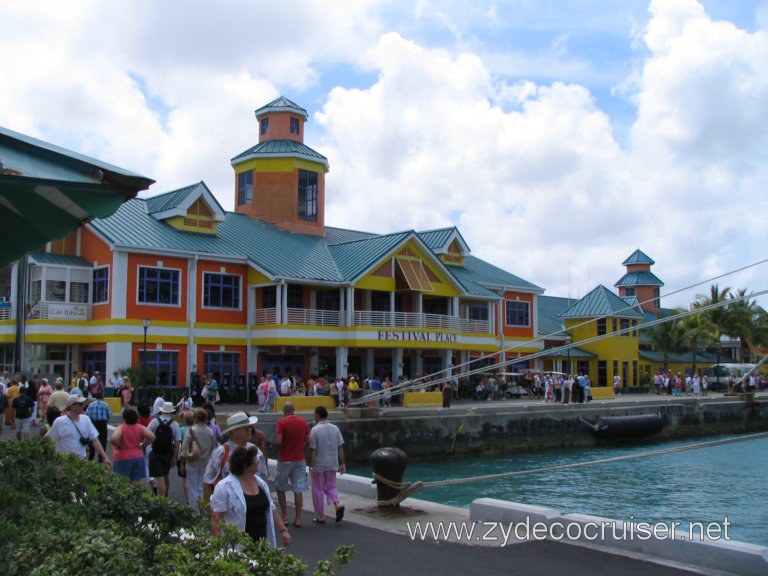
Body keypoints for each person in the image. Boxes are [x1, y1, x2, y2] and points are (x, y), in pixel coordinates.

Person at [210, 445, 291, 548]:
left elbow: (271, 507)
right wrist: (217, 547)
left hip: (262, 545)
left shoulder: (261, 483)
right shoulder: (224, 487)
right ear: (245, 465)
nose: (257, 461)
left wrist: (283, 530)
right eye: (255, 459)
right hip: (238, 547)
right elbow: (216, 517)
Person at [203, 411, 266, 502]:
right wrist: (208, 510)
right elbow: (207, 482)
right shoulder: (221, 452)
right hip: (229, 505)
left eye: (250, 427)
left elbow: (263, 481)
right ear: (234, 431)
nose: (249, 430)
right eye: (245, 428)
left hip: (254, 504)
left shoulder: (256, 451)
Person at [46, 396, 111, 468]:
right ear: (72, 406)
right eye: (80, 404)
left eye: (84, 404)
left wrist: (104, 457)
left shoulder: (86, 419)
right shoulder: (60, 422)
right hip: (64, 463)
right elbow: (48, 440)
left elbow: (95, 439)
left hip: (81, 462)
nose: (84, 406)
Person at [308, 406, 346, 524]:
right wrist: (342, 463)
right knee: (331, 486)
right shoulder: (335, 428)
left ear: (318, 415)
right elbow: (340, 447)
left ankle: (321, 515)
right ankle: (337, 505)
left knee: (318, 489)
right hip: (333, 462)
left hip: (320, 464)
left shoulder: (315, 430)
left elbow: (313, 450)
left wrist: (312, 466)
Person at [275, 402, 310, 528]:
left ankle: (284, 515)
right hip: (300, 460)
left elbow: (278, 441)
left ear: (284, 411)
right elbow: (308, 440)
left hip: (285, 460)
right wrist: (302, 450)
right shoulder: (303, 422)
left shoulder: (281, 423)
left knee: (280, 488)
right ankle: (298, 518)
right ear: (294, 410)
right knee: (298, 489)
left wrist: (280, 447)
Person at [179, 408, 215, 512]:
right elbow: (213, 448)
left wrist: (182, 463)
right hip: (205, 462)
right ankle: (202, 507)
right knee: (201, 487)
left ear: (195, 418)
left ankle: (194, 510)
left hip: (192, 461)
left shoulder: (191, 430)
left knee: (192, 487)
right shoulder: (210, 431)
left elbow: (184, 448)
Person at [111, 406, 155, 483]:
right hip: (138, 456)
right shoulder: (140, 428)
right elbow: (152, 437)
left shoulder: (121, 428)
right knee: (135, 483)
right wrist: (143, 445)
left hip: (123, 457)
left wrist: (119, 446)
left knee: (122, 482)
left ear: (124, 418)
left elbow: (114, 439)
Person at [146, 402, 180, 497]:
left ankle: (161, 499)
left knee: (160, 478)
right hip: (168, 453)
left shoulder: (155, 422)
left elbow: (147, 434)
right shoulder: (175, 424)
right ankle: (166, 495)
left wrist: (144, 446)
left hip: (156, 452)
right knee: (165, 475)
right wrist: (174, 457)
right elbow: (177, 443)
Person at [85, 392, 112, 462]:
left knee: (92, 438)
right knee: (103, 439)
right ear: (102, 397)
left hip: (93, 423)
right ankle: (101, 457)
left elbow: (87, 414)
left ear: (96, 398)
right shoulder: (106, 405)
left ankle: (91, 454)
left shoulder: (91, 405)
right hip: (102, 423)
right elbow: (109, 415)